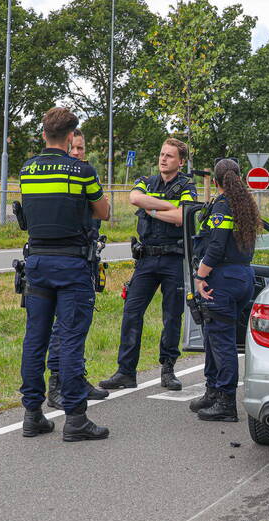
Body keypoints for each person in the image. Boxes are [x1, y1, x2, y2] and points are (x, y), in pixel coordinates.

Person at [19, 107, 110, 441]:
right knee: (71, 339)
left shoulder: (27, 171)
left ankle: (32, 415)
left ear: (44, 134)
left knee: (35, 338)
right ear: (71, 136)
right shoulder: (81, 170)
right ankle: (75, 419)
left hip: (37, 263)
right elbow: (104, 211)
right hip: (72, 264)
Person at [99, 139, 196, 392]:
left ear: (181, 161)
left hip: (174, 258)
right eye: (162, 154)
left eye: (170, 156)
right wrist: (164, 207)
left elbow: (181, 216)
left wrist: (151, 207)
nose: (164, 159)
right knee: (132, 312)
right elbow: (134, 198)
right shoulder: (146, 181)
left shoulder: (186, 185)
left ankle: (168, 368)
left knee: (172, 316)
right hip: (147, 258)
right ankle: (125, 372)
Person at [187, 158, 258, 422]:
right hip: (243, 277)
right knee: (213, 337)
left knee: (221, 340)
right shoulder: (245, 206)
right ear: (238, 178)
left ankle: (226, 402)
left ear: (216, 182)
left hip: (223, 279)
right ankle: (212, 391)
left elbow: (216, 246)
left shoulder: (222, 205)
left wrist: (199, 275)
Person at [45, 128, 110, 409]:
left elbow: (102, 213)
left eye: (81, 149)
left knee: (79, 324)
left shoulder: (87, 174)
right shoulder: (59, 177)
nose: (77, 153)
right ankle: (58, 383)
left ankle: (76, 378)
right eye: (73, 148)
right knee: (64, 325)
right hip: (65, 259)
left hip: (86, 255)